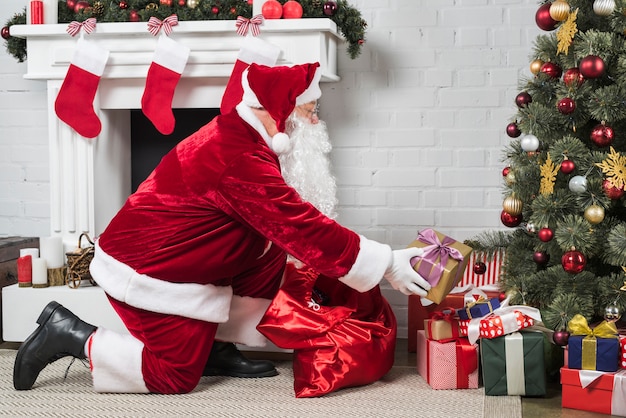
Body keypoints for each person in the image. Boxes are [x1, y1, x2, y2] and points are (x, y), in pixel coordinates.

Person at [13, 61, 430, 394]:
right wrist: (388, 263)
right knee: (173, 376)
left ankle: (214, 345)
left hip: (184, 257)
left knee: (270, 253)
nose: (317, 124)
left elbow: (287, 225)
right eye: (310, 112)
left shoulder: (246, 139)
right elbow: (302, 227)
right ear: (277, 113)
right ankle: (68, 334)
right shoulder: (239, 158)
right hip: (146, 270)